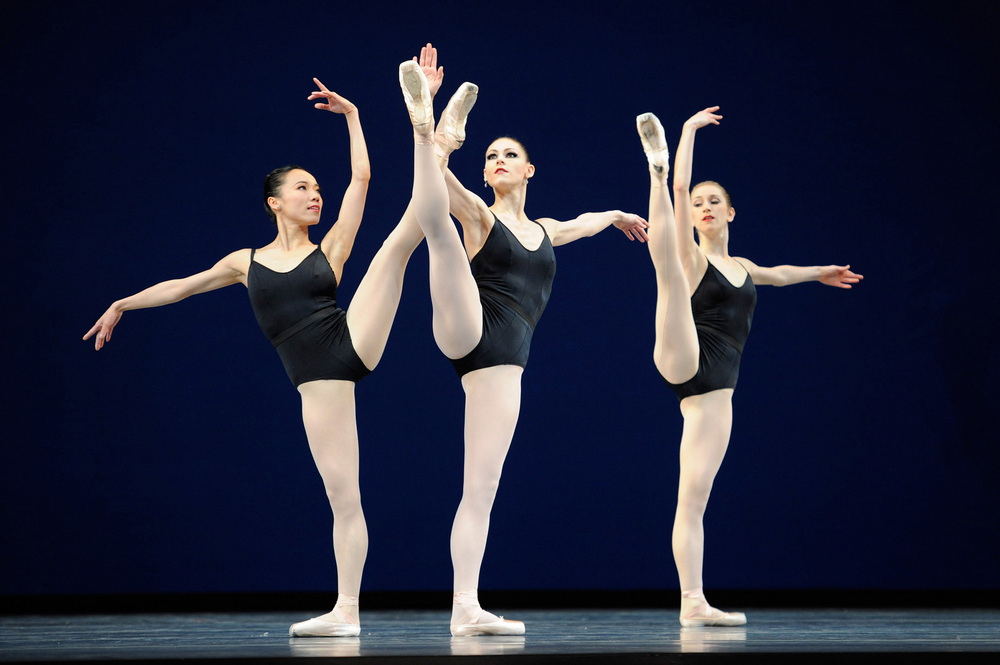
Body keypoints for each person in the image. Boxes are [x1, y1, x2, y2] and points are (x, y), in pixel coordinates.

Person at [83, 80, 426, 638]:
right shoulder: (245, 262)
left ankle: (435, 144)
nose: (316, 195)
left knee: (395, 245)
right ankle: (346, 613)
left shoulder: (331, 247)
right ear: (275, 202)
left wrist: (354, 115)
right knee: (345, 498)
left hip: (352, 340)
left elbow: (361, 179)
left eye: (318, 188)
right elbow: (182, 287)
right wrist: (123, 302)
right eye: (303, 188)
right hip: (318, 384)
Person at [399, 44, 649, 636]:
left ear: (530, 170)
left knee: (480, 487)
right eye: (492, 156)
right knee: (438, 221)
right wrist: (439, 155)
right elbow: (437, 192)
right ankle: (434, 133)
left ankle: (466, 609)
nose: (501, 160)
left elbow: (581, 222)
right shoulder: (481, 215)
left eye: (510, 154)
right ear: (484, 173)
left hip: (500, 367)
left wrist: (615, 214)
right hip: (464, 326)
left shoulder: (545, 230)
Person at [635, 107, 862, 627]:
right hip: (681, 354)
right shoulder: (696, 253)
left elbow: (777, 274)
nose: (706, 207)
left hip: (713, 394)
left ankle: (693, 602)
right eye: (698, 204)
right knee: (669, 266)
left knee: (691, 501)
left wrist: (819, 273)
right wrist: (688, 135)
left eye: (715, 202)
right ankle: (656, 168)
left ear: (732, 213)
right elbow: (684, 193)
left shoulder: (742, 268)